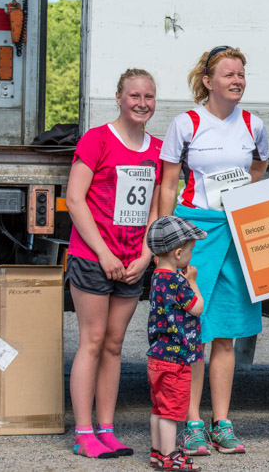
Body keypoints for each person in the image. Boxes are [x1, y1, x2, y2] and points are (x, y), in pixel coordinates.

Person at [158, 46, 269, 456]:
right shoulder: (185, 123)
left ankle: (221, 422)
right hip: (195, 233)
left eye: (241, 74)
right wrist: (165, 243)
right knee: (193, 331)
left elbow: (259, 168)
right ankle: (191, 423)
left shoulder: (254, 124)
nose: (237, 80)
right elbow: (169, 184)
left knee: (226, 332)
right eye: (228, 74)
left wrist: (241, 194)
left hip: (235, 231)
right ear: (208, 81)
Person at [65, 68, 163, 459]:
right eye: (134, 96)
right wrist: (104, 253)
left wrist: (146, 255)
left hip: (132, 261)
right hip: (94, 257)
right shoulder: (97, 139)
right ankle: (83, 432)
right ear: (119, 98)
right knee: (91, 340)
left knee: (114, 344)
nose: (141, 103)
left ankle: (107, 429)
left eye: (148, 96)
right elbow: (75, 199)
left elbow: (155, 209)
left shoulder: (158, 150)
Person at [145, 215, 207, 472]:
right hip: (176, 358)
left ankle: (157, 453)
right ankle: (170, 456)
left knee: (158, 407)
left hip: (157, 356)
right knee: (172, 411)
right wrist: (193, 282)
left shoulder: (157, 277)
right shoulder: (178, 281)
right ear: (178, 253)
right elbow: (197, 307)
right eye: (190, 251)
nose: (191, 256)